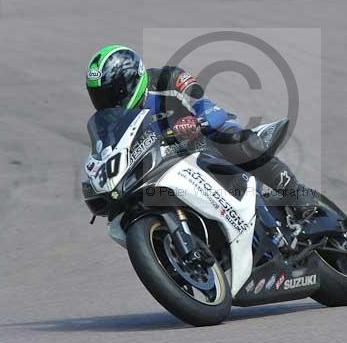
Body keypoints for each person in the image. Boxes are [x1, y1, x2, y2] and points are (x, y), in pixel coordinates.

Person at [84, 45, 316, 216]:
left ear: (132, 81)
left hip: (202, 142)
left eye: (112, 94)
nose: (107, 103)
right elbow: (106, 153)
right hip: (162, 166)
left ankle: (296, 193)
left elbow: (201, 101)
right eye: (100, 96)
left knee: (229, 137)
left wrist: (198, 120)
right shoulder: (110, 122)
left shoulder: (165, 81)